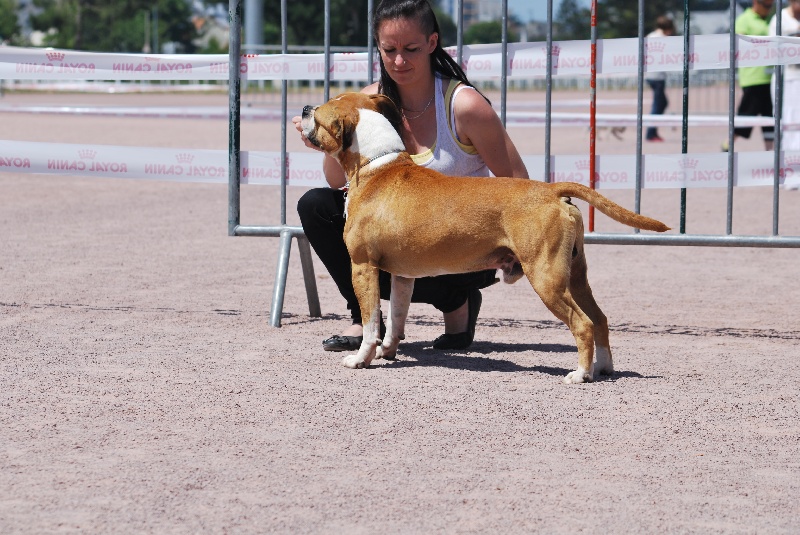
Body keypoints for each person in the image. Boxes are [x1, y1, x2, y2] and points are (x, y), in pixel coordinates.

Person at [293, 0, 529, 353]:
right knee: (317, 206)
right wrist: (328, 143)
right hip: (399, 241)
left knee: (407, 245)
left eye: (411, 49)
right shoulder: (366, 102)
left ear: (433, 43)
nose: (399, 61)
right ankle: (365, 320)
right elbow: (333, 182)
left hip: (461, 243)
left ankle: (457, 301)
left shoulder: (465, 106)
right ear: (378, 47)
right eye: (389, 50)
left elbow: (520, 186)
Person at [724, 0, 776, 152]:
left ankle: (769, 151)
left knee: (770, 116)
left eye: (770, 6)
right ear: (755, 3)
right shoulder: (743, 20)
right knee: (747, 115)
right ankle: (727, 143)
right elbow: (740, 45)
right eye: (766, 5)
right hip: (753, 77)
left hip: (771, 77)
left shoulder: (771, 20)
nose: (768, 9)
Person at [769, 0, 800, 189]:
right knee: (788, 124)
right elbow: (771, 48)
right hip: (787, 78)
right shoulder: (779, 19)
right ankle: (791, 174)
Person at [645, 16, 675, 142]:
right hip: (657, 76)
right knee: (658, 104)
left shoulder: (650, 36)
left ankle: (653, 131)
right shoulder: (663, 39)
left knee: (661, 103)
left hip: (651, 75)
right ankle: (651, 133)